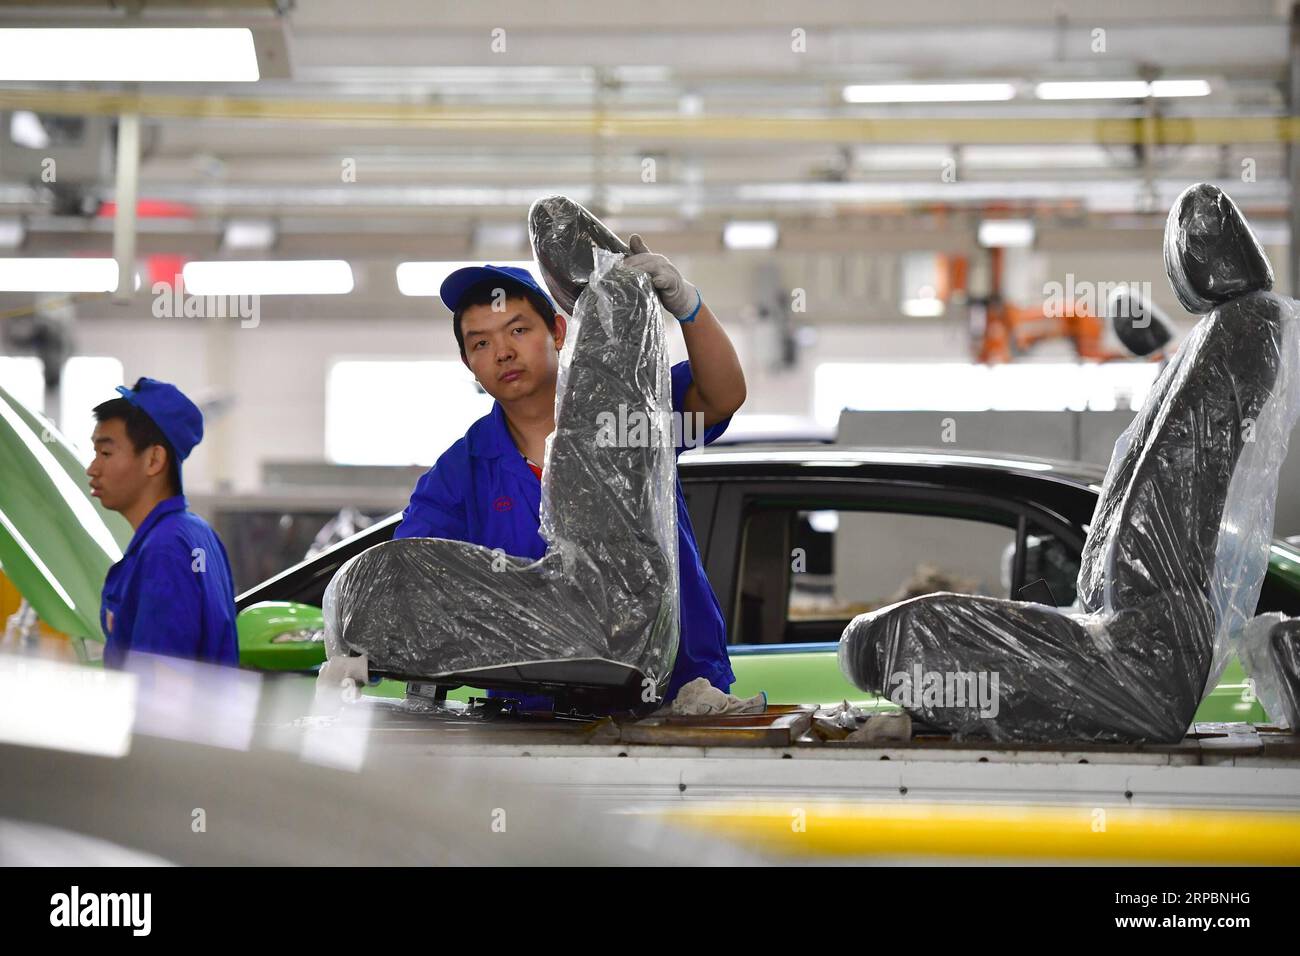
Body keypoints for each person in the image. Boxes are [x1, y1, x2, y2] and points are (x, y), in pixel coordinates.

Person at [395, 235, 747, 703]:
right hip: (534, 720)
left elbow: (722, 396)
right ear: (468, 363)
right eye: (481, 342)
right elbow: (413, 577)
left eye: (518, 331)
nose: (501, 353)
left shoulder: (623, 412)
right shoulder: (462, 472)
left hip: (672, 699)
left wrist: (687, 306)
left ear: (558, 333)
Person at [87, 377, 238, 669]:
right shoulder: (200, 534)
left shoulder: (163, 549)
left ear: (154, 459)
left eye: (106, 453)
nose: (92, 468)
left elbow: (163, 688)